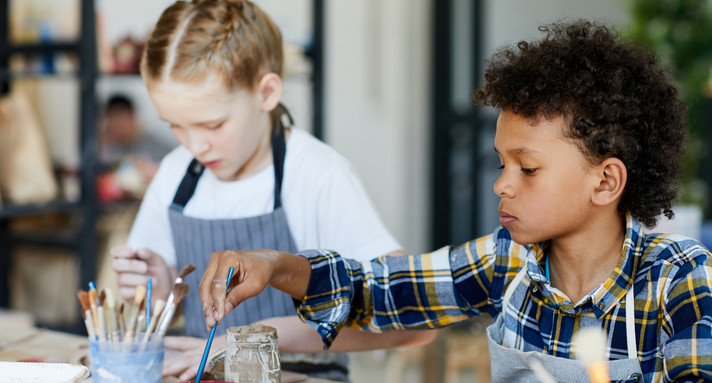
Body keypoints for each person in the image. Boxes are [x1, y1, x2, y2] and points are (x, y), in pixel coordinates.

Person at [199, 20, 712, 382]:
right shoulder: (504, 262)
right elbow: (373, 292)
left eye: (527, 169)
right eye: (501, 164)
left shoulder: (679, 278)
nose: (502, 185)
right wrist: (273, 265)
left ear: (605, 182)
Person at [109, 0, 435, 381]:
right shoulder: (175, 174)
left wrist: (247, 340)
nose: (195, 146)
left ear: (266, 93)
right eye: (175, 126)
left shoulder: (316, 175)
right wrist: (165, 291)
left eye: (212, 125)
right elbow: (168, 308)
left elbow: (413, 323)